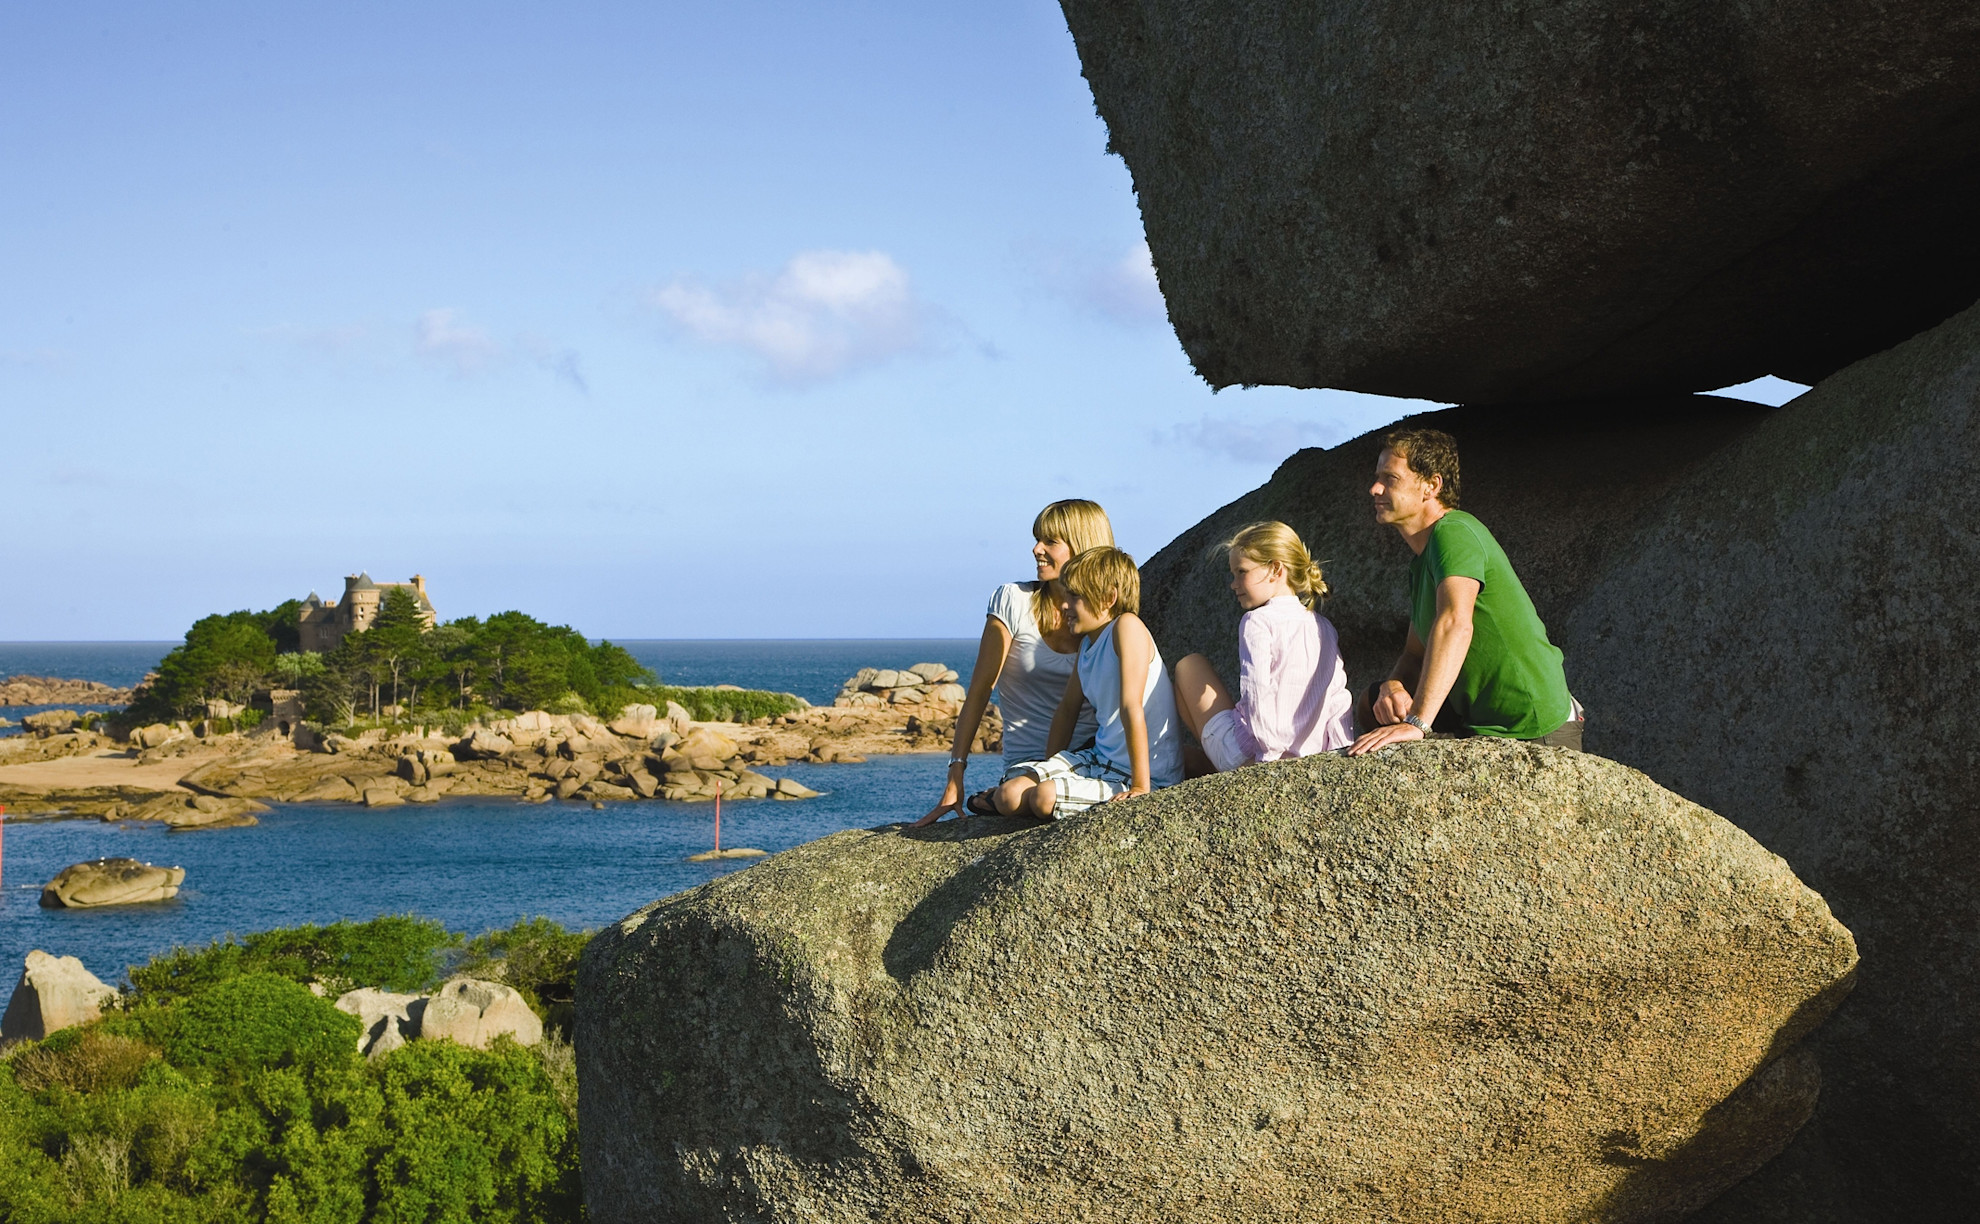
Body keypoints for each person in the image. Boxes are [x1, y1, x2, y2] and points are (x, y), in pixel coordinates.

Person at [1348, 427, 1582, 755]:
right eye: (1377, 477)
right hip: (1478, 724)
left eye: (1390, 479)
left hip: (1530, 726)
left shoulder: (1454, 531)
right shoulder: (1422, 563)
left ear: (1432, 485)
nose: (1375, 488)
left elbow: (1456, 623)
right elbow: (1415, 653)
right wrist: (1393, 685)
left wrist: (1417, 723)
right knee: (1373, 703)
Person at [914, 499, 1112, 826]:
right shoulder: (1012, 601)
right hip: (1028, 766)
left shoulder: (1106, 614)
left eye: (1050, 541)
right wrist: (955, 775)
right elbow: (979, 691)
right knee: (1019, 797)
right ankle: (996, 797)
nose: (1036, 549)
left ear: (1082, 547)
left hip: (1092, 758)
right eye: (1037, 539)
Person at [993, 546, 1183, 818]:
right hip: (1099, 759)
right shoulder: (1086, 645)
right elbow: (1067, 711)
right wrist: (1051, 766)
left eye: (1075, 596)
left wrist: (1142, 787)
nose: (1064, 605)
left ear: (1108, 598)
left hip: (1136, 772)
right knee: (1009, 797)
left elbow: (1132, 705)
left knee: (1044, 797)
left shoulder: (1126, 627)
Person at [1172, 520, 1354, 773]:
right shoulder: (1324, 627)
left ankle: (1220, 769)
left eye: (1241, 572)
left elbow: (1256, 692)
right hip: (1311, 754)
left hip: (1253, 756)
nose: (1233, 584)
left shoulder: (1257, 621)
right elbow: (1338, 697)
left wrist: (1268, 760)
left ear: (1276, 570)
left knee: (1188, 666)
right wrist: (1343, 750)